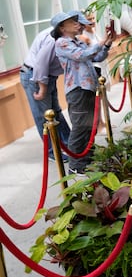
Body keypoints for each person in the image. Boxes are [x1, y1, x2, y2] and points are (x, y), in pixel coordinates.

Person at [53, 10, 115, 174]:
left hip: (89, 88)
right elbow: (81, 56)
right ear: (62, 27)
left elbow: (97, 57)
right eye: (71, 21)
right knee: (80, 127)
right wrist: (100, 43)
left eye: (76, 20)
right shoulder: (62, 43)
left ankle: (87, 158)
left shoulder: (77, 42)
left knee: (91, 125)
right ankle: (76, 165)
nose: (77, 23)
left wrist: (107, 44)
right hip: (77, 90)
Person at [20, 24, 72, 161]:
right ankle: (53, 152)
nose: (80, 27)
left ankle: (70, 146)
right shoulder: (52, 38)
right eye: (76, 23)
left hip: (47, 76)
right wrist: (42, 89)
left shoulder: (66, 36)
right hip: (35, 77)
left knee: (56, 112)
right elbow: (40, 65)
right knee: (44, 118)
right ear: (64, 26)